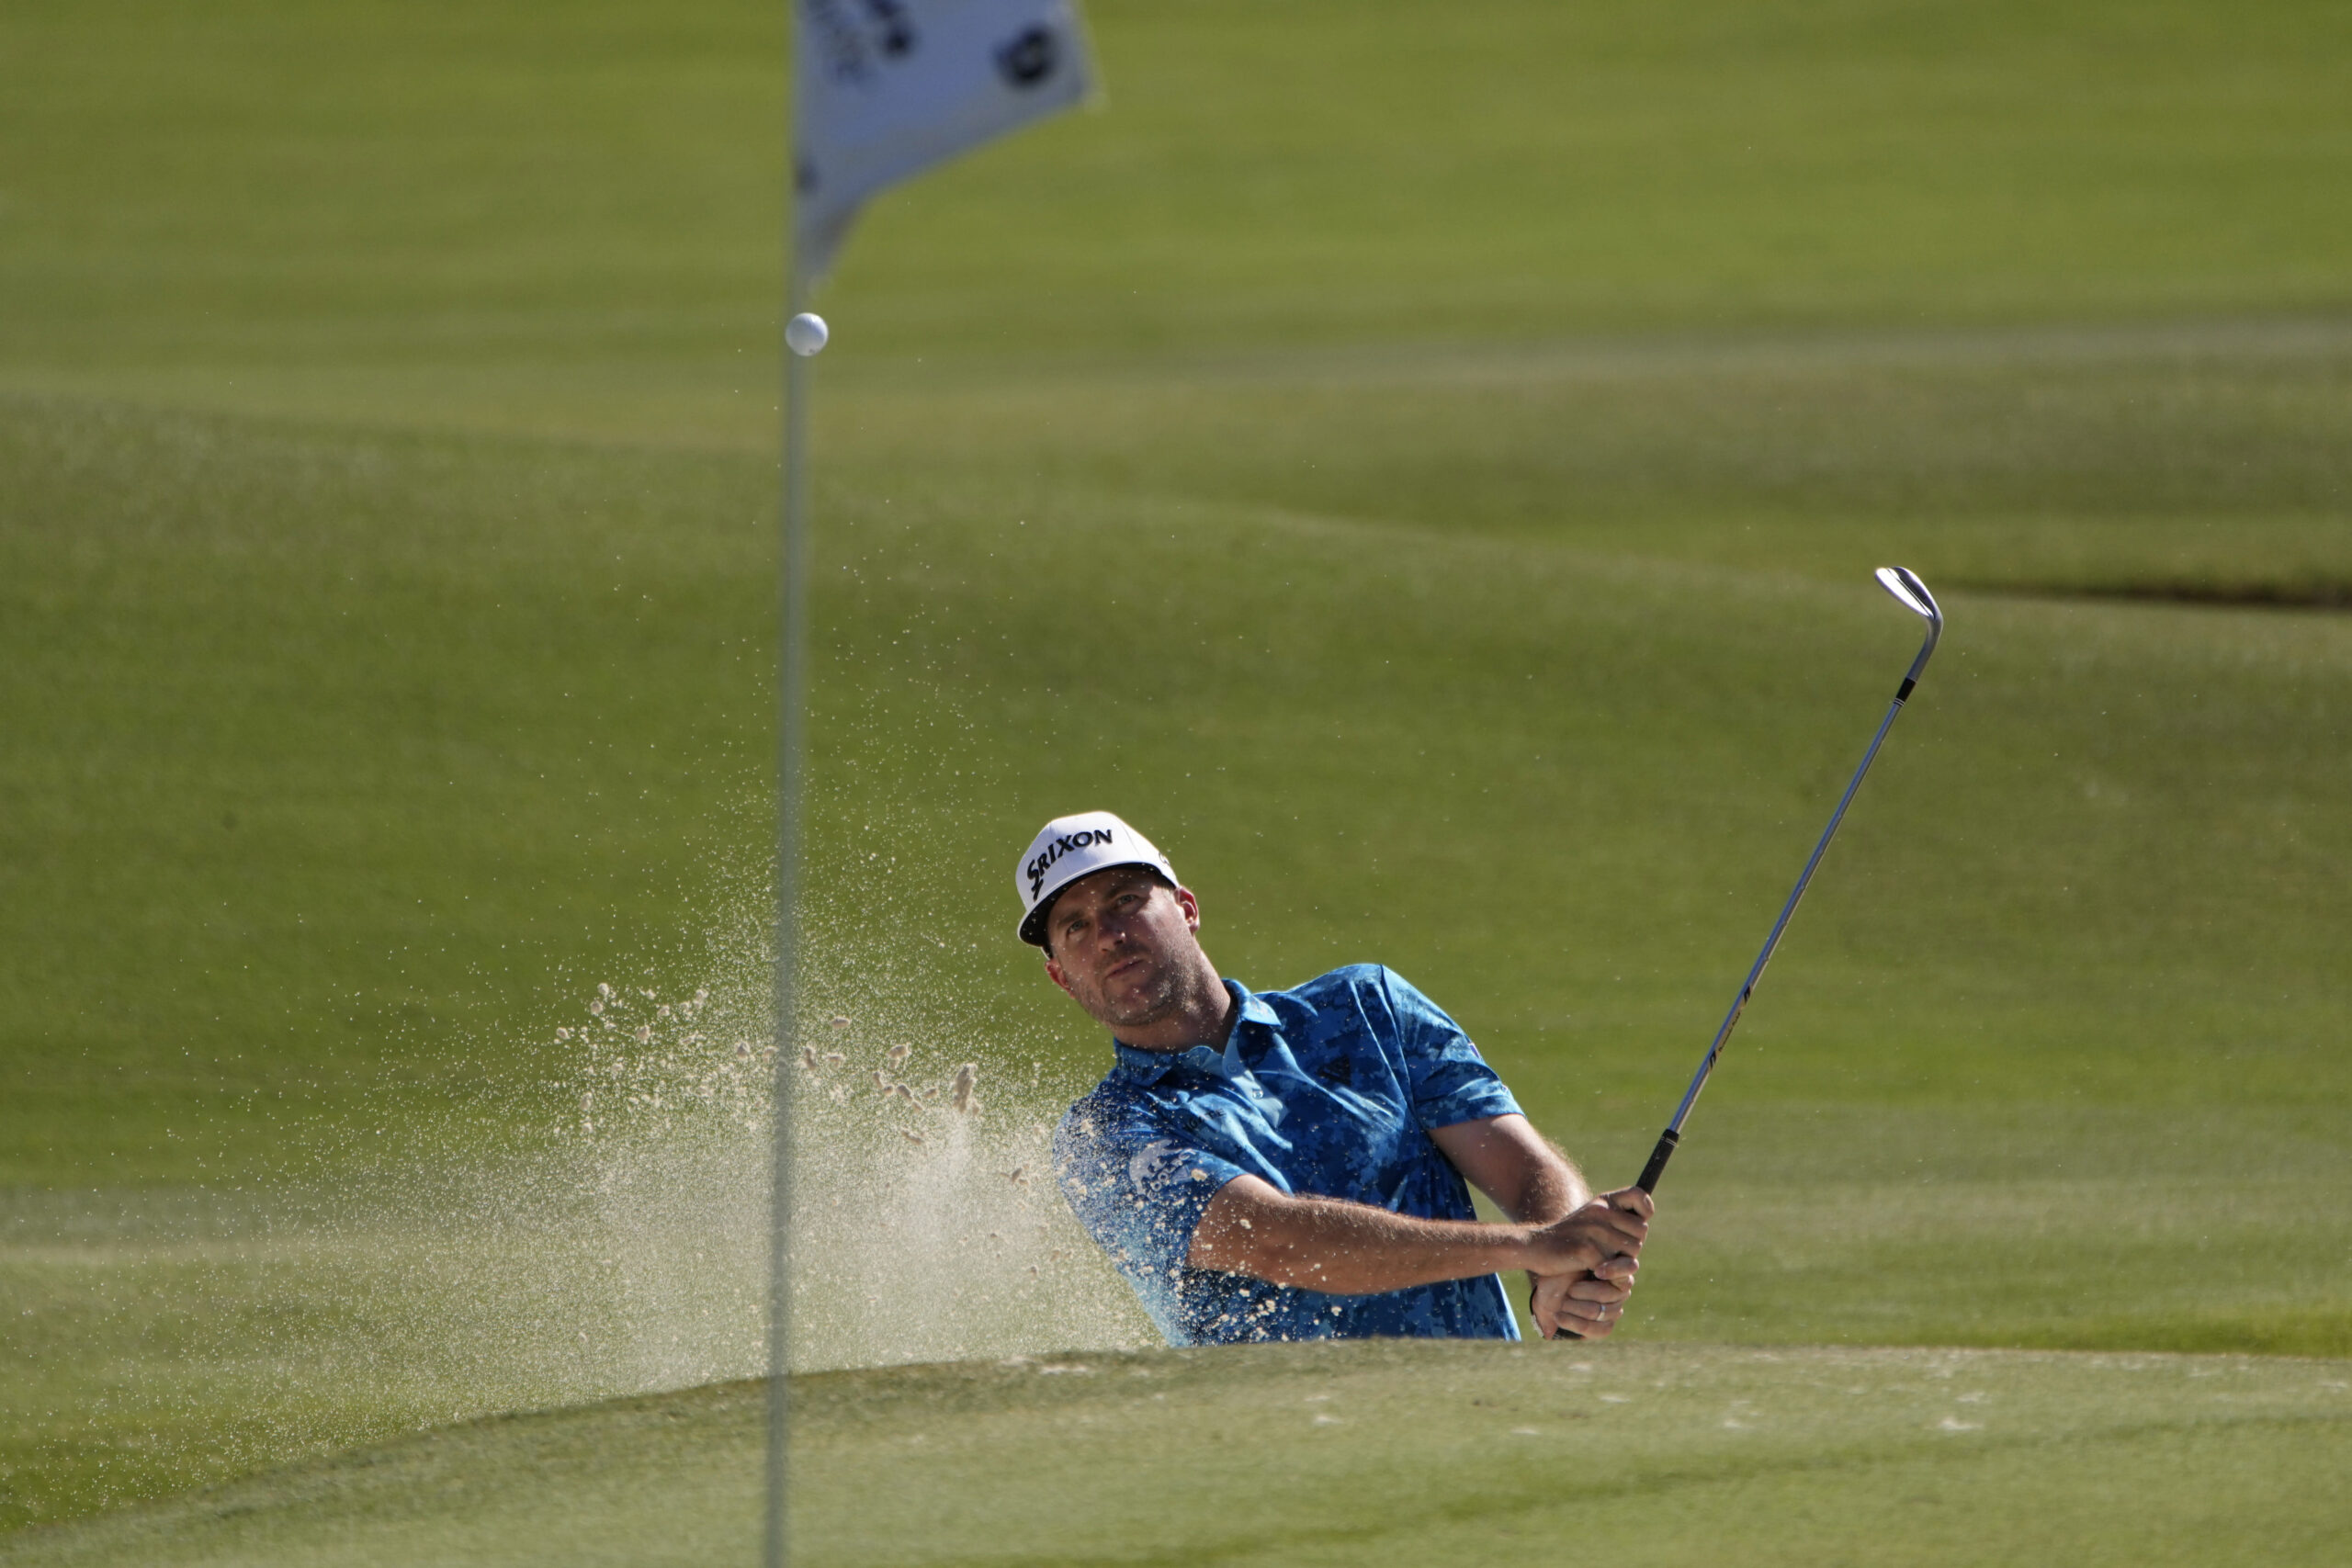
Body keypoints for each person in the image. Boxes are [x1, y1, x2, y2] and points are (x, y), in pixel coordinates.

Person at [1023, 810, 1652, 1348]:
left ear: (1186, 907)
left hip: (1484, 1423)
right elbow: (1279, 1242)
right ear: (1060, 976)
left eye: (1126, 900)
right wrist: (1532, 1246)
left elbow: (1525, 1167)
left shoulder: (1366, 1006)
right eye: (1075, 926)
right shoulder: (1101, 1138)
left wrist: (1560, 1275)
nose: (1107, 935)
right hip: (1286, 1464)